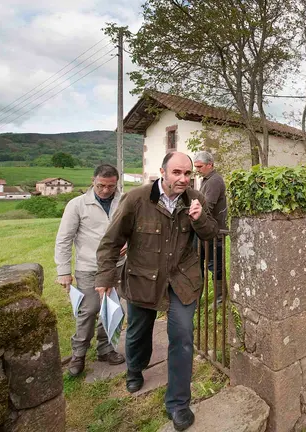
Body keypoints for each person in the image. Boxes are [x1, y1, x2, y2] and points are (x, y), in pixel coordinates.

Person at [95, 152, 217, 431]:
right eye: (177, 173)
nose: (183, 179)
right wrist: (105, 277)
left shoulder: (195, 198)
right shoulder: (137, 199)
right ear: (162, 172)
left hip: (182, 280)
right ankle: (135, 368)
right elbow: (111, 241)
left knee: (183, 335)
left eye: (188, 173)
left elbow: (210, 234)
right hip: (143, 278)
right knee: (138, 331)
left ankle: (178, 403)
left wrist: (199, 220)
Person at [54, 164, 126, 377]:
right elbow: (64, 239)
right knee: (90, 309)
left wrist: (129, 244)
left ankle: (105, 349)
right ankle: (79, 354)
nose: (105, 190)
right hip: (88, 267)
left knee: (111, 307)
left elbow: (135, 229)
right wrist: (63, 271)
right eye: (101, 185)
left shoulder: (124, 201)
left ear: (117, 183)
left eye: (111, 186)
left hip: (117, 265)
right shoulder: (77, 205)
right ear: (93, 181)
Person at [193, 151, 227, 304]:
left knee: (215, 265)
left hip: (214, 231)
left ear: (210, 165)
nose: (197, 169)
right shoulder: (207, 179)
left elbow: (207, 206)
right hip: (204, 230)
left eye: (200, 166)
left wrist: (193, 211)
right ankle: (195, 298)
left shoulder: (215, 181)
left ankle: (221, 299)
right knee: (197, 264)